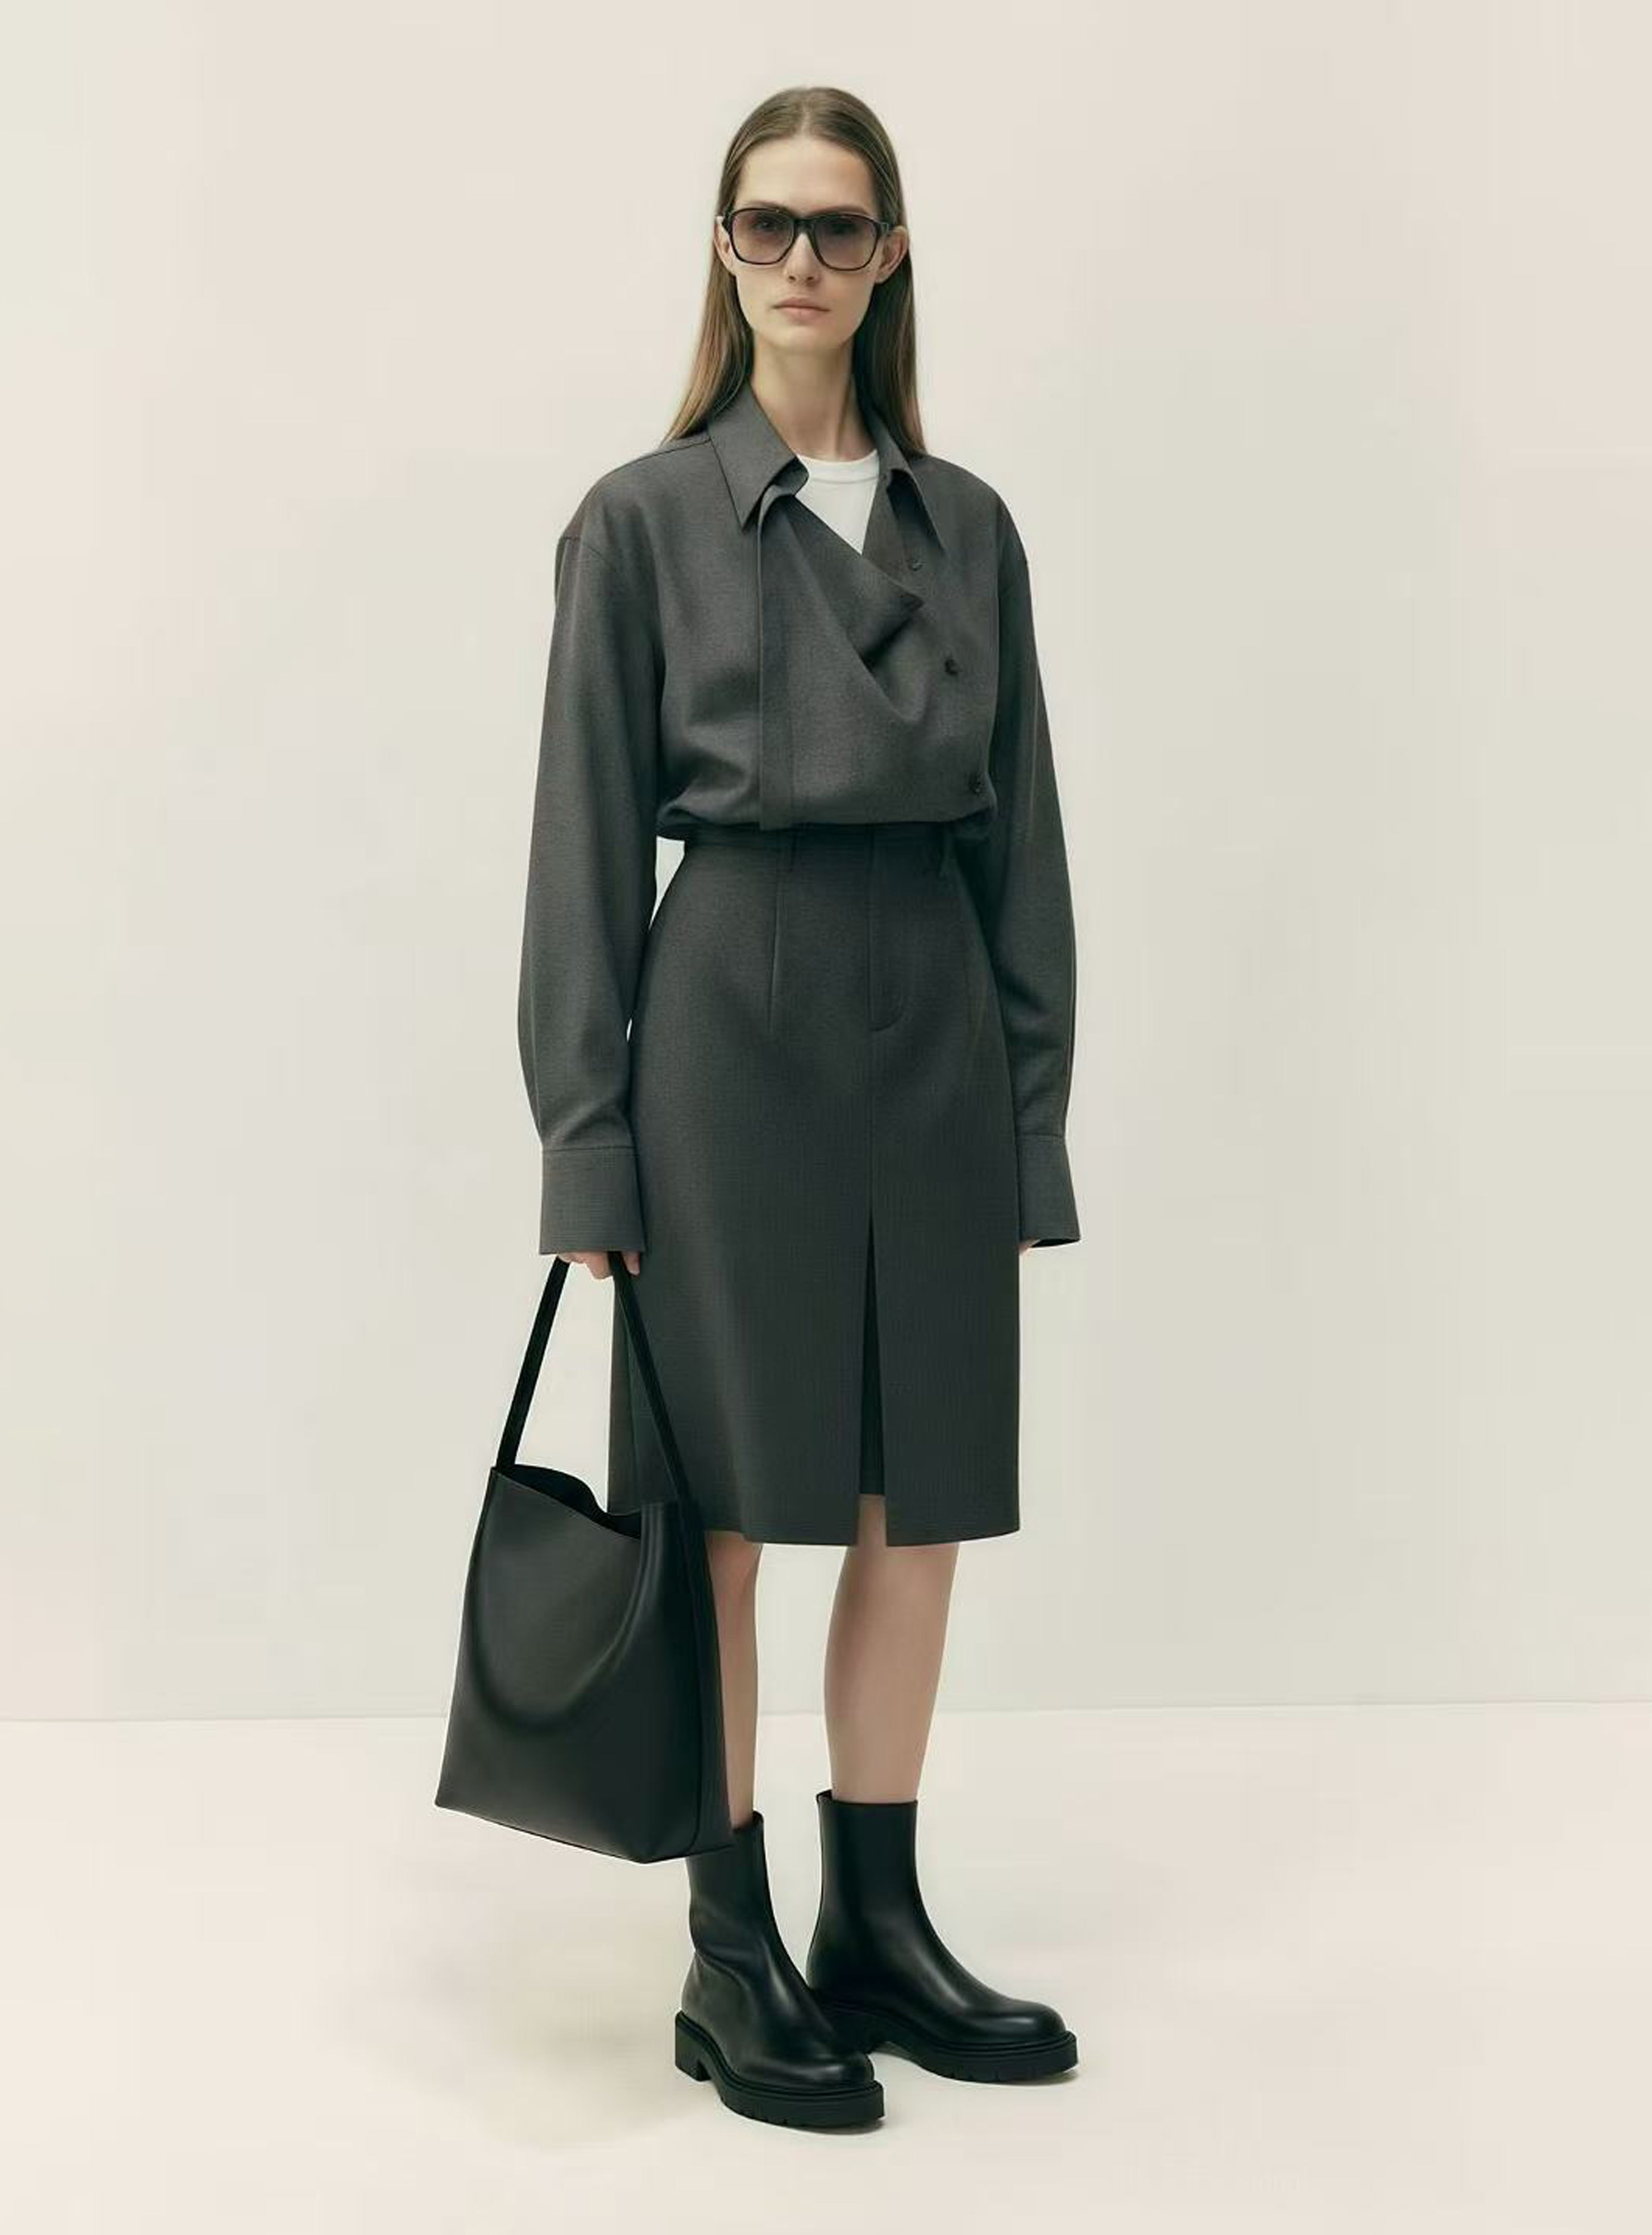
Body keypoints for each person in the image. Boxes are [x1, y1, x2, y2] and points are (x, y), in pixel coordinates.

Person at [517, 84, 1082, 2128]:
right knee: (732, 1519)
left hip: (930, 1023)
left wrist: (1031, 1114)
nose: (803, 262)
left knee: (916, 1504)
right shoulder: (644, 520)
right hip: (727, 1033)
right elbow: (582, 851)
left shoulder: (970, 527)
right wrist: (587, 1141)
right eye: (767, 224)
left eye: (841, 228)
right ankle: (730, 1948)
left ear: (892, 254)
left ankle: (880, 1924)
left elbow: (1025, 846)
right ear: (724, 248)